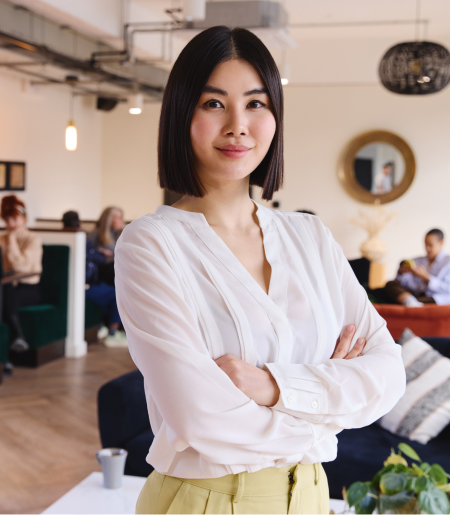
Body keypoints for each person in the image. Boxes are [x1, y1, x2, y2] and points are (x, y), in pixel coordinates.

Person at [114, 27, 405, 514]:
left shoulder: (311, 238)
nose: (237, 126)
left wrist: (273, 387)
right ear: (182, 112)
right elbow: (201, 418)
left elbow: (387, 377)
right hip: (205, 501)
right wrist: (329, 408)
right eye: (213, 104)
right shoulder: (150, 244)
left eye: (256, 103)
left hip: (312, 495)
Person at [0, 195, 43, 352]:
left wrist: (11, 240)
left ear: (24, 219)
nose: (11, 224)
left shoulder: (33, 240)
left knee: (6, 295)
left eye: (14, 219)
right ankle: (14, 341)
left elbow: (21, 266)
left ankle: (16, 338)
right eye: (7, 220)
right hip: (5, 287)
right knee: (1, 294)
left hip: (29, 289)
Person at [383, 228, 450, 307]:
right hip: (416, 296)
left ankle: (411, 303)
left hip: (438, 298)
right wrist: (402, 274)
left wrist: (426, 277)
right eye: (425, 244)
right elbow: (407, 285)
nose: (427, 248)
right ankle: (411, 303)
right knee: (390, 284)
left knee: (410, 300)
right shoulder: (417, 260)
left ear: (441, 243)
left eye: (430, 245)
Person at [89, 206, 124, 285]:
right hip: (103, 268)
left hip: (116, 265)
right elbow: (86, 249)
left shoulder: (121, 234)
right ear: (108, 219)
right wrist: (98, 251)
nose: (121, 221)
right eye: (117, 217)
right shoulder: (97, 233)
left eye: (121, 217)